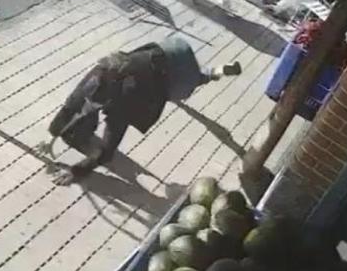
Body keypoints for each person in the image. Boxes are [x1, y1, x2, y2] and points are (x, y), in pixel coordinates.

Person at [44, 37, 241, 185]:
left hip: (176, 74)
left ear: (112, 98)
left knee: (196, 80)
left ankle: (213, 73)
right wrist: (52, 133)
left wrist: (77, 171)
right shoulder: (103, 70)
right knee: (83, 109)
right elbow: (73, 103)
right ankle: (214, 71)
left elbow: (107, 150)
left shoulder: (124, 101)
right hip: (173, 48)